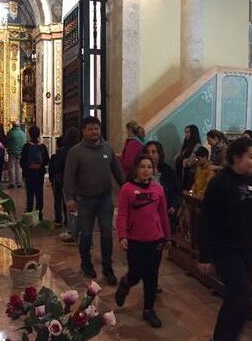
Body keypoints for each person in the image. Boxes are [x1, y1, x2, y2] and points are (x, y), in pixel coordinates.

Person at [198, 137, 252, 341]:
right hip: (225, 249)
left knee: (236, 300)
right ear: (236, 157)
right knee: (242, 297)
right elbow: (207, 220)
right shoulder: (219, 183)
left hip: (247, 249)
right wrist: (204, 256)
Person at [63, 116, 125, 284]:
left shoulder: (108, 149)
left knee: (107, 233)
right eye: (90, 128)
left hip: (105, 199)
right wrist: (69, 198)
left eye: (96, 128)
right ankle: (86, 263)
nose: (94, 131)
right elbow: (68, 177)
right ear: (83, 131)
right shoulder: (76, 152)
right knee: (86, 233)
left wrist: (128, 189)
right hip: (84, 200)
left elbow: (118, 173)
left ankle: (107, 268)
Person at [115, 154, 171, 328]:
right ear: (135, 169)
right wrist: (122, 235)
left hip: (155, 239)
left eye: (149, 167)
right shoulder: (127, 189)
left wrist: (167, 236)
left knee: (151, 276)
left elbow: (162, 214)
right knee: (136, 273)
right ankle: (126, 283)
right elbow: (122, 214)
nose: (146, 170)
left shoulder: (158, 189)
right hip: (134, 239)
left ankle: (148, 309)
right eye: (142, 166)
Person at [144, 141, 182, 233]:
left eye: (154, 152)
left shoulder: (168, 171)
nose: (150, 155)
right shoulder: (139, 171)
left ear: (159, 154)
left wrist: (174, 205)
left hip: (164, 213)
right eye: (148, 152)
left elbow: (177, 191)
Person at [49, 128, 80, 230]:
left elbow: (57, 167)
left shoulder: (62, 151)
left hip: (62, 180)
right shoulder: (79, 149)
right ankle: (70, 223)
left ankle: (60, 220)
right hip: (77, 181)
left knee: (61, 200)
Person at [20, 126, 49, 221]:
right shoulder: (43, 146)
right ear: (39, 134)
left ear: (29, 134)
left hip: (29, 173)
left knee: (30, 194)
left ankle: (30, 214)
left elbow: (22, 162)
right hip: (39, 173)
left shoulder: (26, 146)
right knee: (39, 193)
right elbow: (46, 161)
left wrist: (27, 168)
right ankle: (39, 214)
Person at [175, 125, 202, 190]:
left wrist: (183, 160)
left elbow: (190, 161)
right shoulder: (185, 143)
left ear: (193, 133)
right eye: (185, 132)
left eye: (188, 132)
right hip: (181, 171)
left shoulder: (197, 145)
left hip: (190, 173)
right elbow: (178, 155)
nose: (185, 134)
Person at [6, 121, 26, 189]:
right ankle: (19, 182)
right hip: (20, 152)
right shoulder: (23, 133)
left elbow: (7, 142)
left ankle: (12, 183)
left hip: (12, 152)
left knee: (11, 168)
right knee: (19, 168)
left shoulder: (10, 133)